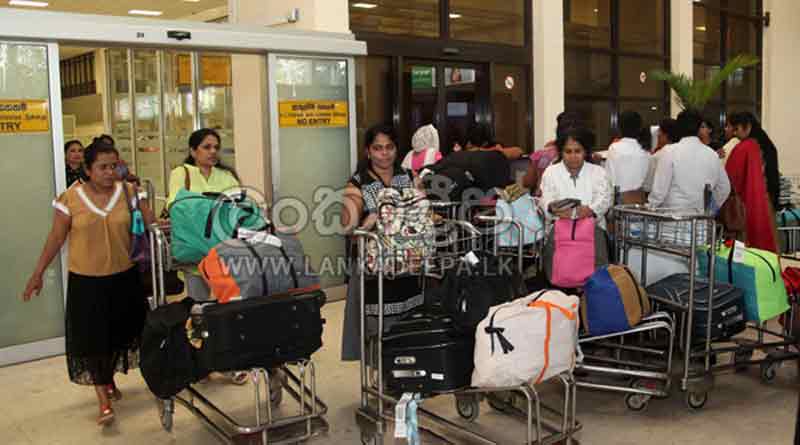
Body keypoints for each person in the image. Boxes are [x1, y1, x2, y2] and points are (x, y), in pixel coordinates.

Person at [23, 141, 154, 426]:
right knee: (93, 341)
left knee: (121, 335)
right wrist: (38, 273)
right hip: (87, 283)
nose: (109, 172)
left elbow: (150, 225)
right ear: (88, 169)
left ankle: (108, 379)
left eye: (114, 166)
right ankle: (103, 400)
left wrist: (142, 203)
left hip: (124, 278)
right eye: (102, 167)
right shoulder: (70, 198)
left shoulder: (129, 192)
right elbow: (56, 237)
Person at [341, 124, 420, 362]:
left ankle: (406, 374)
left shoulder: (409, 177)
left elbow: (424, 213)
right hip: (374, 271)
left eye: (389, 147)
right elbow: (348, 228)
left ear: (396, 149)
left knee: (410, 326)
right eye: (377, 148)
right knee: (378, 330)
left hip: (408, 266)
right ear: (368, 151)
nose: (384, 154)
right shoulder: (358, 183)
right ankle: (381, 375)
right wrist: (370, 220)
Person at [166, 128, 240, 298]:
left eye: (216, 147)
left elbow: (238, 206)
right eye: (207, 147)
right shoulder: (181, 173)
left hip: (224, 251)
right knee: (198, 304)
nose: (213, 151)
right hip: (194, 252)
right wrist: (218, 205)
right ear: (193, 151)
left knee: (231, 301)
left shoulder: (226, 175)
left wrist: (200, 205)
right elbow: (176, 205)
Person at [648, 110, 731, 212]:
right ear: (699, 128)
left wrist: (650, 207)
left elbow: (659, 192)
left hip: (672, 217)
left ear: (678, 127)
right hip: (701, 218)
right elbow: (724, 188)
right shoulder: (712, 154)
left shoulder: (669, 151)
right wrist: (710, 209)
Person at [725, 111, 781, 253]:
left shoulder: (745, 147)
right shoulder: (766, 145)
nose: (735, 133)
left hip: (748, 203)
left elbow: (731, 177)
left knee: (749, 246)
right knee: (768, 243)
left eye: (737, 129)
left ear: (748, 126)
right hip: (767, 200)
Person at [539, 126, 612, 231]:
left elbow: (605, 199)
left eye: (577, 151)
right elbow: (545, 200)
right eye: (568, 151)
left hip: (593, 232)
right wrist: (552, 208)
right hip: (559, 233)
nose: (573, 156)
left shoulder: (599, 172)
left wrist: (590, 210)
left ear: (585, 152)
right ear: (561, 152)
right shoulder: (551, 172)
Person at [522, 111, 581, 194]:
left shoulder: (543, 154)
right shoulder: (584, 156)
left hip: (545, 198)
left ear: (558, 130)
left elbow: (527, 182)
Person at [604, 111, 652, 198]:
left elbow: (609, 180)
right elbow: (648, 185)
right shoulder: (646, 150)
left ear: (619, 128)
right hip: (640, 200)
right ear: (639, 128)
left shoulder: (615, 148)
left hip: (620, 200)